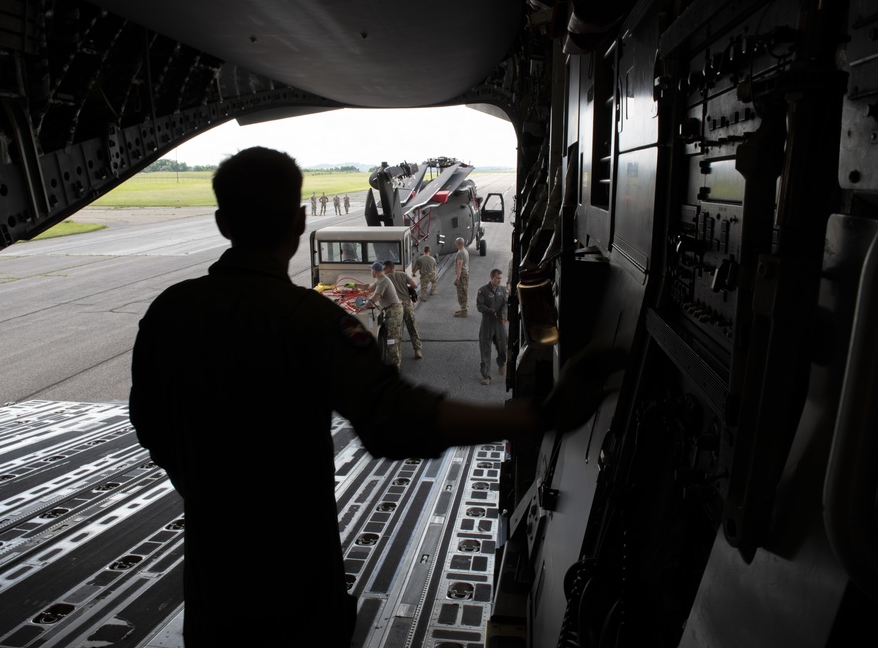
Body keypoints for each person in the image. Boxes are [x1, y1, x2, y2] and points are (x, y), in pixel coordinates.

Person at [129, 146, 623, 647]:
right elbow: (398, 420)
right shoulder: (313, 324)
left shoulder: (168, 315)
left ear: (221, 222)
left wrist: (210, 488)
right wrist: (537, 416)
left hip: (215, 592)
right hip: (299, 588)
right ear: (300, 222)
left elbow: (149, 425)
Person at [360, 260, 403, 368]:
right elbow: (369, 287)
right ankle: (396, 360)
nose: (370, 272)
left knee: (392, 339)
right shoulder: (380, 280)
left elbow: (375, 298)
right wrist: (355, 285)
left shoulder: (383, 281)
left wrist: (362, 306)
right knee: (394, 338)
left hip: (394, 311)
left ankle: (395, 366)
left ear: (374, 271)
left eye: (371, 270)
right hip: (392, 310)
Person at [383, 259, 422, 360]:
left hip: (395, 308)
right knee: (412, 327)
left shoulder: (385, 278)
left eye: (384, 269)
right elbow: (414, 284)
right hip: (407, 304)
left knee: (397, 332)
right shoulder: (403, 274)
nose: (383, 271)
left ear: (388, 268)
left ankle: (397, 354)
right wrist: (408, 288)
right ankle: (417, 349)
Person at [476, 268, 508, 385]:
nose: (500, 280)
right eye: (497, 278)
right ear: (491, 278)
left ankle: (501, 363)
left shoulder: (503, 290)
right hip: (487, 324)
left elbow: (505, 303)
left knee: (502, 347)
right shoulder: (483, 291)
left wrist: (503, 314)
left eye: (501, 278)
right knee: (485, 350)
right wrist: (491, 311)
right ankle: (486, 376)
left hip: (500, 324)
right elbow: (480, 306)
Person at [453, 237, 470, 317]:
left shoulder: (460, 253)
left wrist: (457, 278)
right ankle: (463, 308)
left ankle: (464, 310)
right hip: (465, 274)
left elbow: (459, 266)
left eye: (456, 243)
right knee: (464, 290)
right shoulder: (465, 251)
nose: (455, 244)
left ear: (458, 243)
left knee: (461, 292)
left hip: (462, 275)